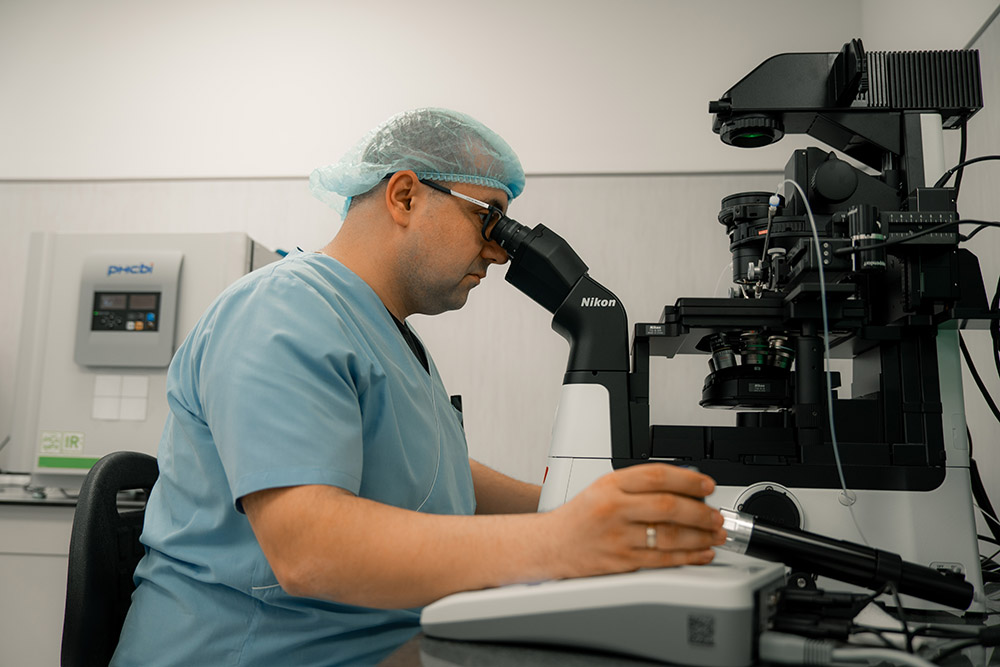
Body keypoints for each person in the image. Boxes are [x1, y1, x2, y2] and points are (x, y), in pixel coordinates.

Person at [111, 108, 727, 666]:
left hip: (378, 643)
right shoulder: (281, 310)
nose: (499, 253)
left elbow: (433, 471)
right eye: (488, 219)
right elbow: (309, 551)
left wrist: (590, 507)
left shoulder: (391, 337)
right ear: (404, 195)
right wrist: (561, 539)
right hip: (257, 651)